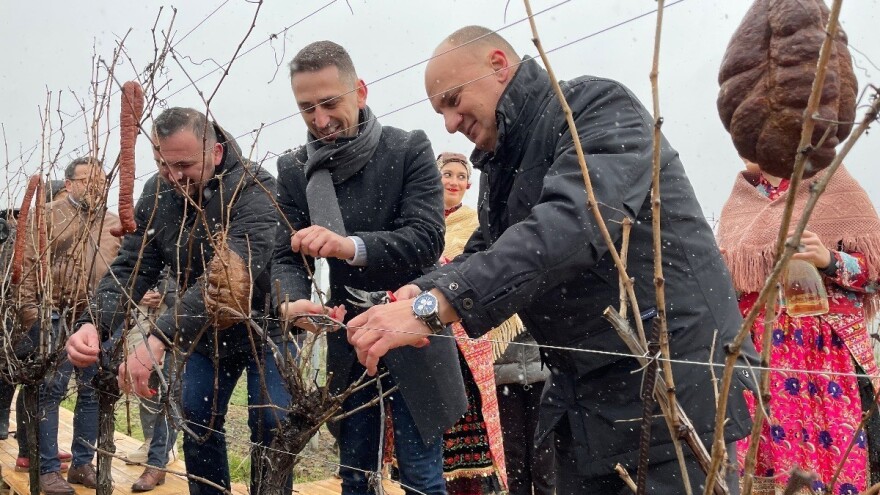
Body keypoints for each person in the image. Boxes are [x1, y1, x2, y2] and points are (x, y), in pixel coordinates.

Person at [348, 26, 759, 494]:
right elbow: (488, 246)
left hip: (665, 382)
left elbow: (571, 224)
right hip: (584, 390)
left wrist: (434, 307)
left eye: (452, 99)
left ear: (499, 64)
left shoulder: (596, 108)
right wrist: (418, 290)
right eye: (440, 110)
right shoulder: (505, 159)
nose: (448, 122)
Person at [271, 41, 466, 495]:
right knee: (355, 472)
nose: (320, 120)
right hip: (348, 332)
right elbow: (286, 255)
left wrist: (350, 247)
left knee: (422, 472)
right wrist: (291, 298)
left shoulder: (407, 148)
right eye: (306, 109)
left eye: (330, 103)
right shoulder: (295, 169)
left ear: (359, 90)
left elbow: (425, 239)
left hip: (414, 320)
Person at [65, 107, 289, 495]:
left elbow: (228, 279)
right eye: (163, 165)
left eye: (184, 164)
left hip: (262, 328)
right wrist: (93, 322)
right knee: (197, 422)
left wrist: (160, 336)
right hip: (201, 334)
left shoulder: (254, 187)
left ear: (216, 152)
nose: (174, 176)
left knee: (271, 426)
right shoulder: (158, 193)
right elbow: (132, 265)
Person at [717, 160, 880, 494]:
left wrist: (829, 260)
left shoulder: (835, 186)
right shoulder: (740, 201)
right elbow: (725, 288)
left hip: (829, 357)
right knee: (762, 459)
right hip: (761, 359)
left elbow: (875, 279)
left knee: (841, 449)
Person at [14, 157, 121, 495]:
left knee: (92, 391)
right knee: (50, 390)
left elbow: (122, 274)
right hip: (54, 315)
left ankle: (82, 463)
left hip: (97, 319)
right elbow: (24, 269)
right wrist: (33, 318)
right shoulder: (44, 217)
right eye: (87, 180)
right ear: (70, 183)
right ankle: (46, 468)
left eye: (101, 181)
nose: (96, 187)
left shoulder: (114, 223)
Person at [433, 152, 506, 494]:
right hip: (426, 339)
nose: (453, 181)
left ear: (469, 184)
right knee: (428, 442)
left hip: (466, 346)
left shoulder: (475, 225)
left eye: (461, 176)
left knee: (470, 439)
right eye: (446, 173)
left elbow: (478, 275)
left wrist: (441, 272)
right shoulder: (422, 221)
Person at [121, 271, 179, 492]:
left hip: (176, 323)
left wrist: (165, 290)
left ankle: (166, 448)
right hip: (143, 321)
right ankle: (150, 441)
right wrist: (138, 294)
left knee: (170, 390)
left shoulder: (183, 247)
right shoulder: (140, 242)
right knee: (146, 386)